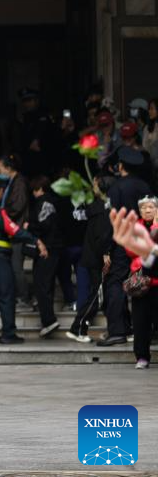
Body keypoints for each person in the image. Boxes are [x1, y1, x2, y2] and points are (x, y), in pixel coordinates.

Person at [0, 177, 46, 344]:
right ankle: (8, 333)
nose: (3, 193)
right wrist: (35, 240)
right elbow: (13, 230)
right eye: (2, 190)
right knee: (6, 295)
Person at [99, 146, 152, 346]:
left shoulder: (117, 189)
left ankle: (118, 330)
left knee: (115, 284)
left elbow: (111, 221)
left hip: (122, 242)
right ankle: (145, 329)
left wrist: (107, 249)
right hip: (144, 241)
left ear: (120, 166)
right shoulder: (145, 187)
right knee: (145, 283)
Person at [108, 208, 158, 368]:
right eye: (144, 208)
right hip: (142, 284)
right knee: (140, 321)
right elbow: (130, 249)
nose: (147, 210)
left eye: (151, 207)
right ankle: (142, 357)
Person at [67, 177, 114, 343]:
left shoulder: (97, 206)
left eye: (94, 184)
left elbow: (78, 216)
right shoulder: (102, 207)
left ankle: (121, 328)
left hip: (93, 255)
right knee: (98, 296)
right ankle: (77, 327)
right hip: (97, 258)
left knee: (104, 294)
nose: (93, 187)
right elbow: (102, 235)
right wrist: (106, 252)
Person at [28, 176, 64, 337]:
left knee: (41, 284)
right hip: (55, 247)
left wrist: (30, 226)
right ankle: (48, 318)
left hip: (46, 248)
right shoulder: (54, 201)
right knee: (46, 283)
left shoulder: (43, 202)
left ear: (39, 189)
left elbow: (45, 224)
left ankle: (48, 320)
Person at [0, 154, 32, 309]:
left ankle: (24, 297)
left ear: (8, 168)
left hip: (15, 228)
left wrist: (2, 216)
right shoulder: (12, 182)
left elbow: (17, 206)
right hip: (12, 227)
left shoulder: (19, 182)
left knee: (16, 266)